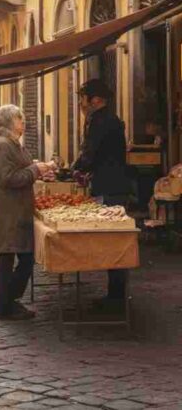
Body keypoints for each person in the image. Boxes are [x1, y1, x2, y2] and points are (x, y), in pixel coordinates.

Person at [0, 105, 55, 321]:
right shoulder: (2, 145)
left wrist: (39, 169)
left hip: (17, 210)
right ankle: (6, 304)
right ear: (8, 122)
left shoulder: (12, 144)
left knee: (17, 257)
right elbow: (9, 178)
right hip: (10, 212)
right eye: (19, 118)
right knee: (17, 258)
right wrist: (36, 170)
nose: (23, 122)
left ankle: (6, 302)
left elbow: (21, 169)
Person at [72, 79, 130, 309]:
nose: (81, 104)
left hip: (110, 188)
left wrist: (76, 169)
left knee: (113, 241)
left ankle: (115, 298)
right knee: (113, 241)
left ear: (95, 100)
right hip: (113, 184)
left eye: (82, 99)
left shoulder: (99, 120)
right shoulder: (108, 119)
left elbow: (91, 151)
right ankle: (115, 295)